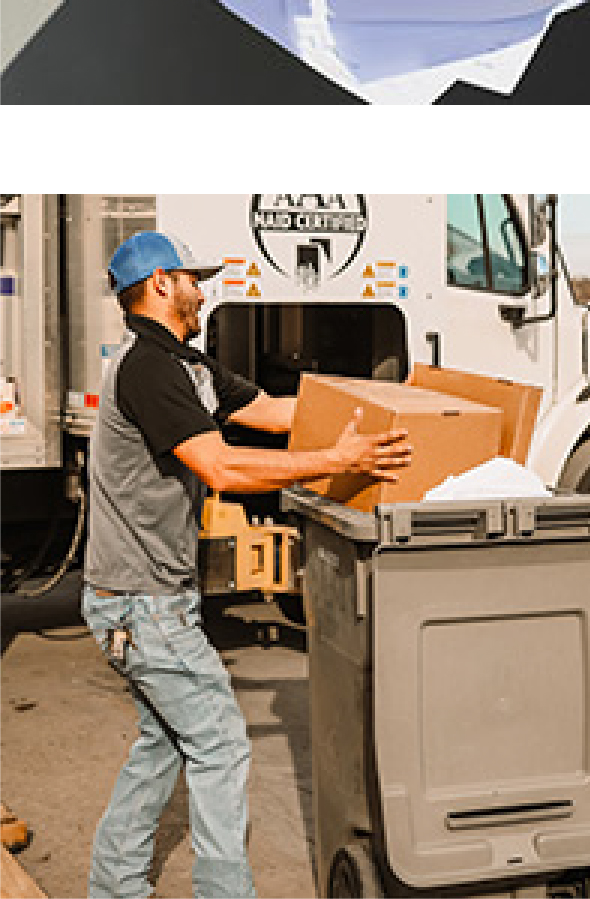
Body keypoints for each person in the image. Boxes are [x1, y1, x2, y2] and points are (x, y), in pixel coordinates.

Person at [83, 230, 413, 899]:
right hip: (141, 602)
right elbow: (222, 467)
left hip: (148, 600)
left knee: (164, 745)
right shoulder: (147, 368)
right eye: (193, 280)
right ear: (161, 284)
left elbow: (270, 410)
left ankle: (113, 885)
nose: (203, 292)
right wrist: (335, 462)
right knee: (220, 741)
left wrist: (374, 416)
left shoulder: (189, 366)